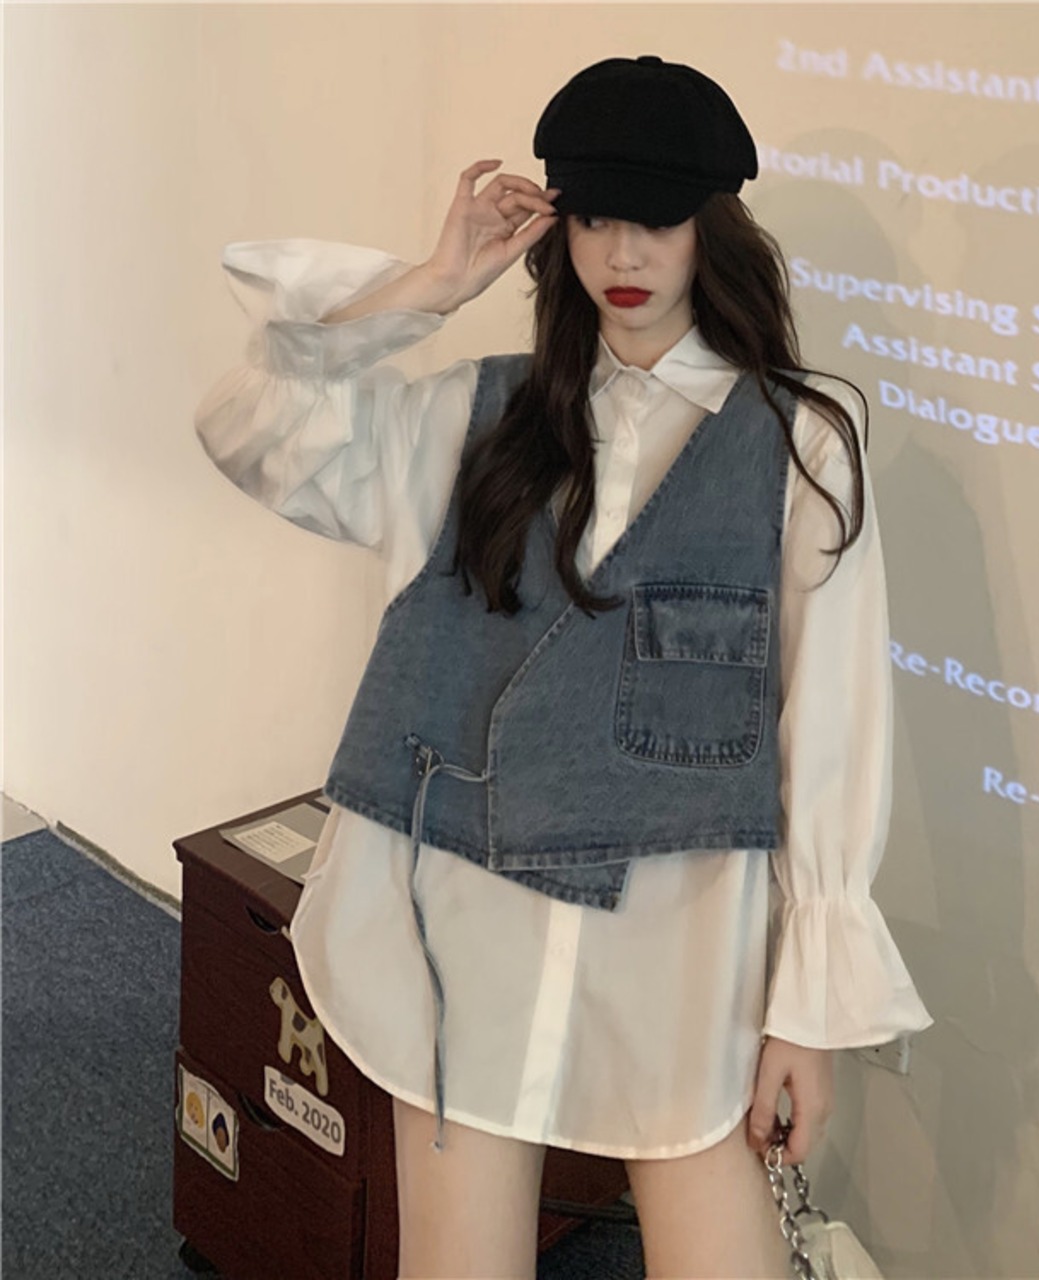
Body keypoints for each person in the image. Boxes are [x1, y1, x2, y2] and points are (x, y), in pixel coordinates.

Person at [195, 54, 931, 1280]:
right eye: (592, 218)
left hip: (677, 958)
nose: (621, 253)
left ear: (711, 227)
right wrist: (429, 286)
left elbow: (831, 735)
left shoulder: (799, 448)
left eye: (655, 219)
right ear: (556, 228)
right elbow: (248, 427)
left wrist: (806, 1012)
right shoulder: (470, 421)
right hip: (465, 932)